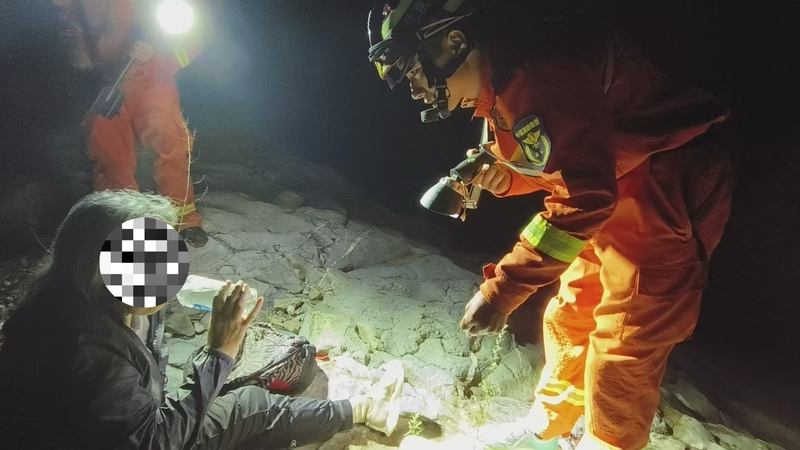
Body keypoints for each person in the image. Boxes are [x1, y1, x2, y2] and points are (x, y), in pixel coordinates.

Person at [367, 1, 733, 449]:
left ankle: (608, 443)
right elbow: (562, 161)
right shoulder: (498, 85)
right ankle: (552, 427)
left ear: (453, 42)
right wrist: (509, 178)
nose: (414, 89)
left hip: (664, 189)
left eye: (411, 70)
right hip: (617, 187)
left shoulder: (538, 76)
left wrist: (501, 291)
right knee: (571, 312)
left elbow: (585, 195)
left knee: (624, 342)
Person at [0, 190, 403, 449]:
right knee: (246, 405)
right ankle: (366, 410)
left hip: (108, 429)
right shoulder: (85, 348)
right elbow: (156, 441)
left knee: (228, 393)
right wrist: (219, 353)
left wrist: (197, 292)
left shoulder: (74, 294)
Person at [54, 0, 209, 247]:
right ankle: (122, 224)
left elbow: (191, 34)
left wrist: (159, 57)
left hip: (151, 80)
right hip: (104, 82)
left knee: (172, 143)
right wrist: (78, 52)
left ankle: (184, 219)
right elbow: (64, 17)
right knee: (110, 156)